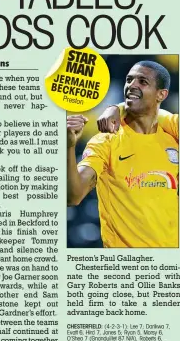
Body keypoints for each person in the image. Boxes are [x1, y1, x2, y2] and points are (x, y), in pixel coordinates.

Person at [67, 61, 178, 248]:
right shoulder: (105, 141)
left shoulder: (172, 136)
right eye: (129, 80)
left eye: (142, 81)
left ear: (162, 94)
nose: (132, 85)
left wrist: (116, 108)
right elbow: (73, 197)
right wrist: (69, 148)